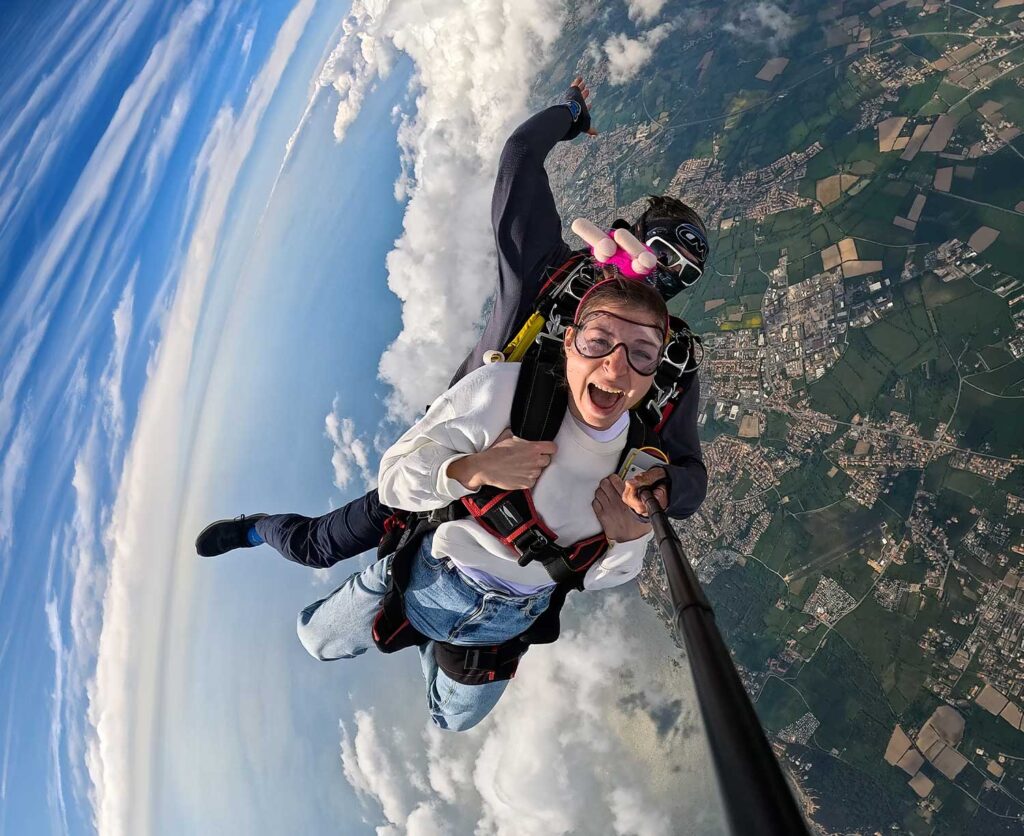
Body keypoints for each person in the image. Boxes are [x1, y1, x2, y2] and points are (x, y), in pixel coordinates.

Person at [195, 77, 710, 567]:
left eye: (684, 271)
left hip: (533, 526)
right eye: (662, 251)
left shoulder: (666, 361)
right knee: (318, 548)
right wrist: (569, 114)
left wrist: (664, 486)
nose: (665, 274)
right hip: (458, 455)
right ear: (634, 237)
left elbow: (689, 472)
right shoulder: (551, 274)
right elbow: (520, 160)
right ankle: (258, 527)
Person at [294, 276, 671, 730]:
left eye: (642, 353)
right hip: (431, 576)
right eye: (599, 342)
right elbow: (393, 479)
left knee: (450, 721)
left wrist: (628, 540)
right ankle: (390, 576)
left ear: (654, 371)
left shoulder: (638, 462)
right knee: (316, 639)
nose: (616, 366)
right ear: (569, 342)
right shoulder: (502, 392)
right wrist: (475, 468)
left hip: (506, 623)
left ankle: (429, 641)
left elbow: (601, 577)